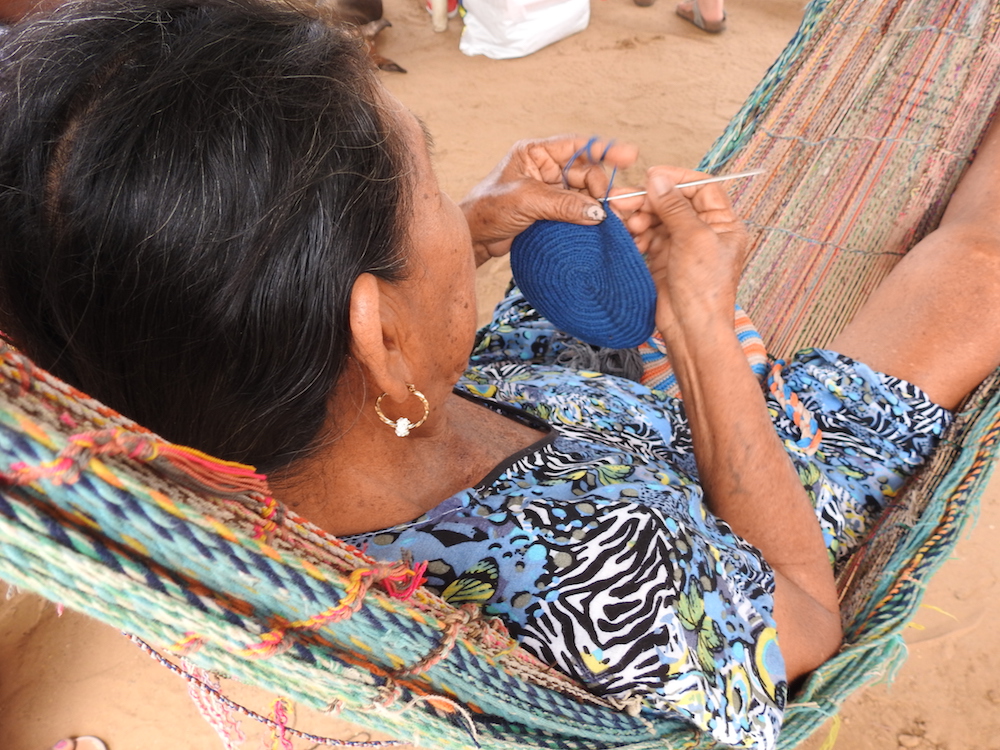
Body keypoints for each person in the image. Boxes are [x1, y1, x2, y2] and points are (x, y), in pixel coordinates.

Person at [0, 0, 996, 747]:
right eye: (433, 183)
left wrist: (470, 230)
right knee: (974, 263)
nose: (462, 207)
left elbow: (365, 372)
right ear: (379, 342)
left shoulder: (202, 477)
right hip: (731, 496)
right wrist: (700, 332)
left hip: (518, 409)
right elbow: (806, 626)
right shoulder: (600, 575)